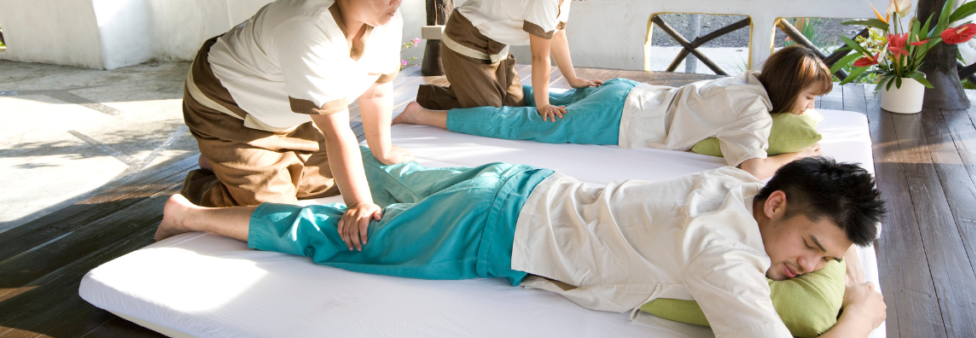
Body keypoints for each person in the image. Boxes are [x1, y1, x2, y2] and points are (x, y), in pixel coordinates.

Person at [155, 153, 887, 338]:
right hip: (496, 231)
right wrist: (859, 313)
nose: (810, 266)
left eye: (824, 258)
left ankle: (341, 159)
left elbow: (768, 168)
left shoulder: (738, 189)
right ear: (779, 206)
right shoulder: (724, 255)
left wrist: (840, 246)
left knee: (394, 184)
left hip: (525, 186)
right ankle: (188, 217)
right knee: (346, 240)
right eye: (811, 246)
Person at [179, 0, 413, 249]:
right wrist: (359, 205)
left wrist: (382, 152)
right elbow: (335, 131)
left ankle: (229, 164)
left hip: (286, 115)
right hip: (226, 107)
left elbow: (376, 90)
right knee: (281, 217)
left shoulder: (387, 19)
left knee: (331, 181)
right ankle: (205, 183)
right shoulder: (308, 26)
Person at [398, 45, 832, 179]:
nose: (808, 109)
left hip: (627, 94)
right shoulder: (754, 111)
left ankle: (441, 95)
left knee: (534, 99)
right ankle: (421, 115)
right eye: (809, 99)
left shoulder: (747, 81)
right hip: (619, 121)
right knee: (521, 124)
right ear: (790, 89)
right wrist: (799, 155)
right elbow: (754, 170)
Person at [417, 0, 615, 122]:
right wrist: (543, 105)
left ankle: (465, 88)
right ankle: (422, 107)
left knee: (514, 105)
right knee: (491, 115)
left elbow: (558, 35)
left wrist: (573, 79)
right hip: (466, 37)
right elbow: (540, 56)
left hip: (495, 43)